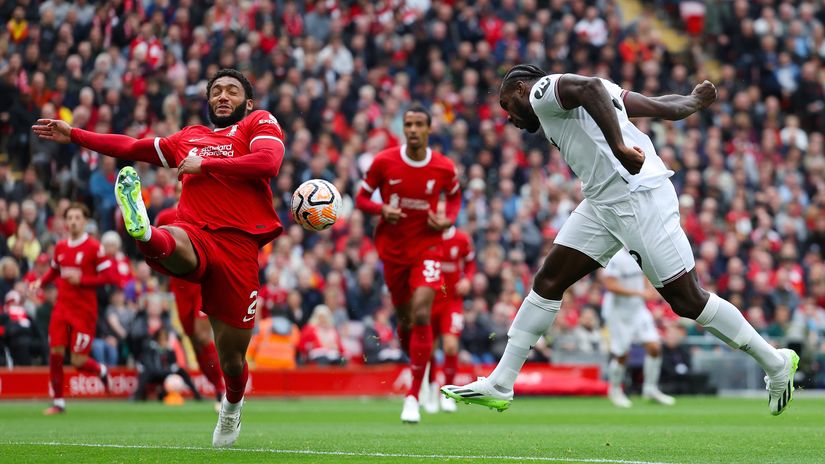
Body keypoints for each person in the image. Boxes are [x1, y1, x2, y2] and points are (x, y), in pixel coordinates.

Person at [442, 65, 799, 416]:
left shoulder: (543, 91)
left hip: (636, 196)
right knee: (548, 281)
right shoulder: (579, 97)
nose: (509, 117)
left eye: (506, 105)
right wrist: (692, 101)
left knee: (688, 300)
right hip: (602, 202)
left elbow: (592, 87)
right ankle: (502, 382)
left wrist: (619, 148)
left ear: (520, 89)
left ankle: (775, 362)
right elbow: (661, 107)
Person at [32, 68, 287, 446]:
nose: (222, 96)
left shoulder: (257, 123)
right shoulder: (189, 137)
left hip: (240, 249)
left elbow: (268, 164)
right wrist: (75, 135)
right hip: (195, 233)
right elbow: (131, 147)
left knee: (232, 359)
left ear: (247, 103)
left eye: (231, 91)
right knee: (170, 238)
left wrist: (207, 164)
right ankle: (144, 231)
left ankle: (231, 407)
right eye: (216, 90)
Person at [355, 104, 461, 424]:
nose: (413, 130)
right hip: (393, 252)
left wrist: (447, 220)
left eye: (419, 125)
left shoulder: (443, 167)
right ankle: (424, 371)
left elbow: (455, 197)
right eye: (408, 124)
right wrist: (380, 210)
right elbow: (361, 198)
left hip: (428, 248)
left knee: (421, 312)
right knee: (405, 323)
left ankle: (412, 396)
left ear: (429, 129)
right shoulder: (384, 161)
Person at [31, 203, 114, 415]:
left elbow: (108, 277)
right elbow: (53, 271)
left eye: (78, 218)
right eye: (70, 218)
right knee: (55, 352)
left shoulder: (94, 247)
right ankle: (58, 402)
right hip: (61, 308)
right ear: (65, 222)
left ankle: (101, 370)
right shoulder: (60, 247)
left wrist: (82, 279)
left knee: (78, 361)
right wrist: (39, 283)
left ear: (85, 221)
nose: (73, 221)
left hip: (84, 311)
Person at [156, 183, 226, 408]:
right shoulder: (166, 216)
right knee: (194, 340)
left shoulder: (207, 213)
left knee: (202, 335)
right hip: (180, 286)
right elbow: (156, 248)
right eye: (179, 190)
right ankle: (216, 387)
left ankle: (223, 389)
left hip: (202, 282)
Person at [601, 248, 675, 408]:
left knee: (654, 347)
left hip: (638, 309)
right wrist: (640, 293)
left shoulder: (640, 252)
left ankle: (650, 389)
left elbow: (644, 276)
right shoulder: (616, 258)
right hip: (618, 312)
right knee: (622, 354)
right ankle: (614, 391)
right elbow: (610, 285)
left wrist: (649, 290)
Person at [423, 226, 475, 414]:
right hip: (430, 299)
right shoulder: (427, 236)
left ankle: (448, 393)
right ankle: (430, 391)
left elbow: (470, 262)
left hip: (452, 301)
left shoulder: (461, 239)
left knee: (451, 346)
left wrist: (467, 280)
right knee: (428, 349)